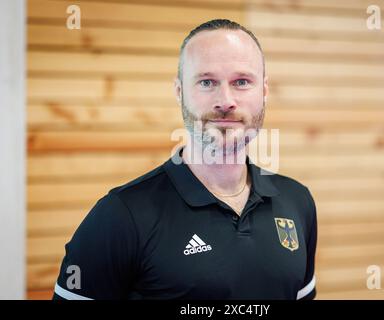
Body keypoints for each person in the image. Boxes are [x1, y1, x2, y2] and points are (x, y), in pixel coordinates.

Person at [53, 19, 317, 300]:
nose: (225, 100)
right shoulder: (119, 216)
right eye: (207, 82)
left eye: (242, 82)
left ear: (264, 91)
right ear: (179, 92)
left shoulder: (297, 202)